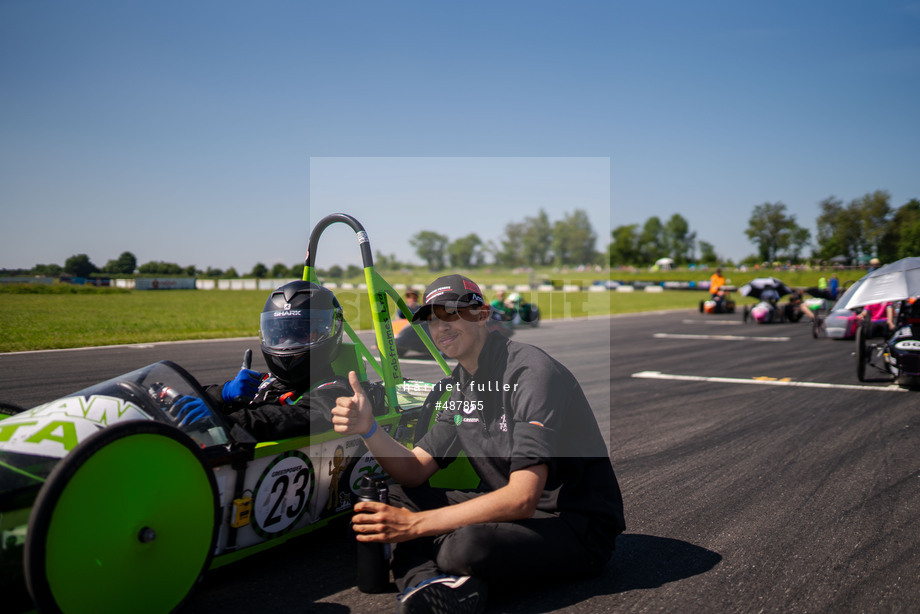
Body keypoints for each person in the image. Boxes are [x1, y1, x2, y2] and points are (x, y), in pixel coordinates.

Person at [332, 274, 625, 614]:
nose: (440, 327)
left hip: (573, 522)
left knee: (466, 545)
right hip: (512, 511)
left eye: (452, 314)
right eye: (431, 319)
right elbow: (414, 470)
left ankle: (436, 575)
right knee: (395, 497)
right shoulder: (459, 387)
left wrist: (414, 526)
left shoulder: (531, 372)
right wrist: (369, 430)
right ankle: (432, 587)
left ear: (483, 314)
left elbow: (523, 498)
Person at [197, 281, 384, 441]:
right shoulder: (263, 382)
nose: (287, 342)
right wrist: (222, 393)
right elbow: (189, 398)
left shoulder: (336, 393)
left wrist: (223, 424)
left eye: (301, 333)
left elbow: (290, 418)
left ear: (330, 331)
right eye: (280, 333)